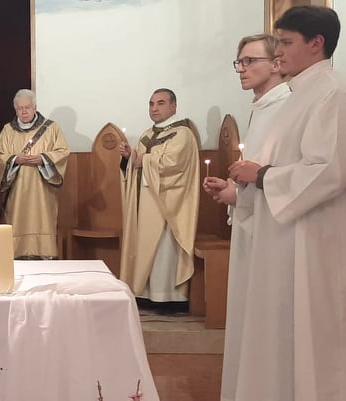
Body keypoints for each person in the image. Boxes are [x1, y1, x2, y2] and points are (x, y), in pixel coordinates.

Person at [225, 6, 345, 400]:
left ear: (316, 43)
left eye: (287, 43)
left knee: (304, 331)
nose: (279, 52)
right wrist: (249, 182)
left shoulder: (332, 94)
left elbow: (328, 170)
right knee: (276, 330)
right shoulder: (296, 95)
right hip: (280, 231)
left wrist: (262, 176)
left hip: (308, 236)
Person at [201, 34, 291, 401]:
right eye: (239, 62)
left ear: (276, 63)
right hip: (252, 226)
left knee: (267, 323)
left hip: (275, 236)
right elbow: (256, 176)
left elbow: (288, 175)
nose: (241, 69)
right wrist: (232, 191)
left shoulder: (287, 107)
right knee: (247, 319)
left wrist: (248, 186)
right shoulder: (262, 108)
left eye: (250, 61)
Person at [118, 88, 199, 307]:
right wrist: (128, 157)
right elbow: (136, 164)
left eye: (161, 103)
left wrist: (143, 161)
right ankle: (143, 292)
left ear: (173, 107)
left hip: (166, 204)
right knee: (143, 245)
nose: (154, 108)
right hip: (143, 202)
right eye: (151, 104)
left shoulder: (183, 134)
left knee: (163, 248)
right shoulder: (147, 134)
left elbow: (174, 165)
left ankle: (166, 296)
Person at [0, 89, 70, 259]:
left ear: (35, 108)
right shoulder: (8, 130)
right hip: (17, 192)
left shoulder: (51, 128)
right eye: (20, 108)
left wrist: (43, 159)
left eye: (27, 107)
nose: (24, 112)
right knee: (17, 222)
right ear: (15, 109)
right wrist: (14, 159)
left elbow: (62, 152)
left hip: (42, 192)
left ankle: (44, 254)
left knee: (42, 221)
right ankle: (18, 256)